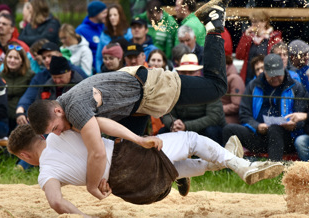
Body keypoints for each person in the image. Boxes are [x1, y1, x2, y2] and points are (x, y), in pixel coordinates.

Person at [27, 0, 230, 201]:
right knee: (133, 156)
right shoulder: (66, 110)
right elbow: (96, 144)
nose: (59, 133)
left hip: (146, 92)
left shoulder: (73, 108)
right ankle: (177, 172)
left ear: (57, 112)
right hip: (136, 104)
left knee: (217, 87)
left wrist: (92, 184)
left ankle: (213, 24)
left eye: (55, 129)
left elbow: (97, 152)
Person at [7, 123, 284, 216]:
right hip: (128, 157)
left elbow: (56, 201)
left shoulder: (45, 173)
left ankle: (223, 159)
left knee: (172, 168)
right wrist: (136, 137)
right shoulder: (61, 131)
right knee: (191, 139)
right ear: (41, 136)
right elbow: (100, 123)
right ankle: (242, 166)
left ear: (23, 154)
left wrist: (84, 216)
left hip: (132, 190)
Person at [222, 54, 308, 161]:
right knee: (228, 129)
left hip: (285, 137)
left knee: (274, 129)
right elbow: (244, 114)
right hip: (258, 134)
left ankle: (272, 169)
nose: (276, 78)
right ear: (265, 72)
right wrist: (257, 126)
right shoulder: (253, 86)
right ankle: (231, 166)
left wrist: (294, 124)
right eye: (272, 75)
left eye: (278, 75)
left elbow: (302, 117)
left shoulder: (296, 87)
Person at [15, 42, 87, 126]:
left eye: (50, 56)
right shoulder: (41, 76)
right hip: (47, 117)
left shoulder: (77, 73)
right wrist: (21, 109)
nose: (46, 60)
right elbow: (29, 95)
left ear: (60, 55)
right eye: (44, 57)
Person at [161, 53, 226, 144]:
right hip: (181, 127)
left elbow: (213, 117)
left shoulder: (210, 88)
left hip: (205, 128)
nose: (187, 76)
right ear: (179, 73)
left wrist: (186, 126)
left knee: (211, 131)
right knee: (162, 132)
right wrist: (173, 123)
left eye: (191, 72)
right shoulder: (173, 89)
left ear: (198, 72)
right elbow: (167, 113)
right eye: (184, 73)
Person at [236, 10, 282, 85]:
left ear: (265, 22)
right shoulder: (249, 37)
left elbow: (278, 58)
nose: (254, 25)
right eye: (252, 22)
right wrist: (245, 37)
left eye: (257, 22)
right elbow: (239, 56)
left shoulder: (273, 37)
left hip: (268, 76)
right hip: (249, 76)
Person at [0, 43, 34, 132]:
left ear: (22, 60)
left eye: (16, 58)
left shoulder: (30, 75)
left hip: (22, 114)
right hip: (4, 116)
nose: (12, 60)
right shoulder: (0, 76)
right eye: (10, 57)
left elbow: (31, 97)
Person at [95, 4, 132, 73]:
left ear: (120, 16)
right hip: (106, 71)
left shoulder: (128, 33)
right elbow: (98, 57)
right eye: (110, 15)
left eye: (115, 15)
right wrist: (99, 72)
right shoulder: (104, 35)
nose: (112, 18)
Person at [75, 0, 107, 67]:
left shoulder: (104, 27)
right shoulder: (81, 30)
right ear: (95, 14)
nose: (106, 15)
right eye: (104, 13)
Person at [222, 54, 245, 124]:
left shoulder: (235, 79)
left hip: (229, 119)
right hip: (220, 116)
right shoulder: (222, 77)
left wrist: (218, 110)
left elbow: (236, 105)